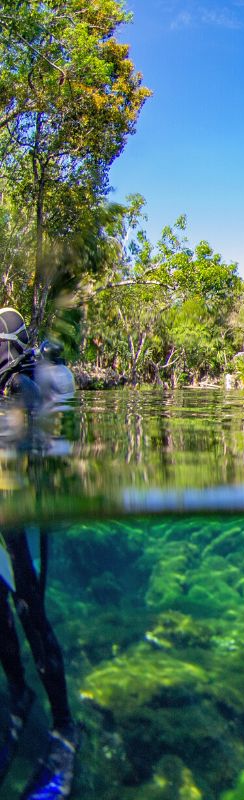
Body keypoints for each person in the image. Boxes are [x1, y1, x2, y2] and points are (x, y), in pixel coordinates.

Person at [0, 307, 79, 800]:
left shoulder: (26, 382)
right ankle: (19, 695)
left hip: (21, 511)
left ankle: (65, 726)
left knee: (30, 611)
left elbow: (47, 427)